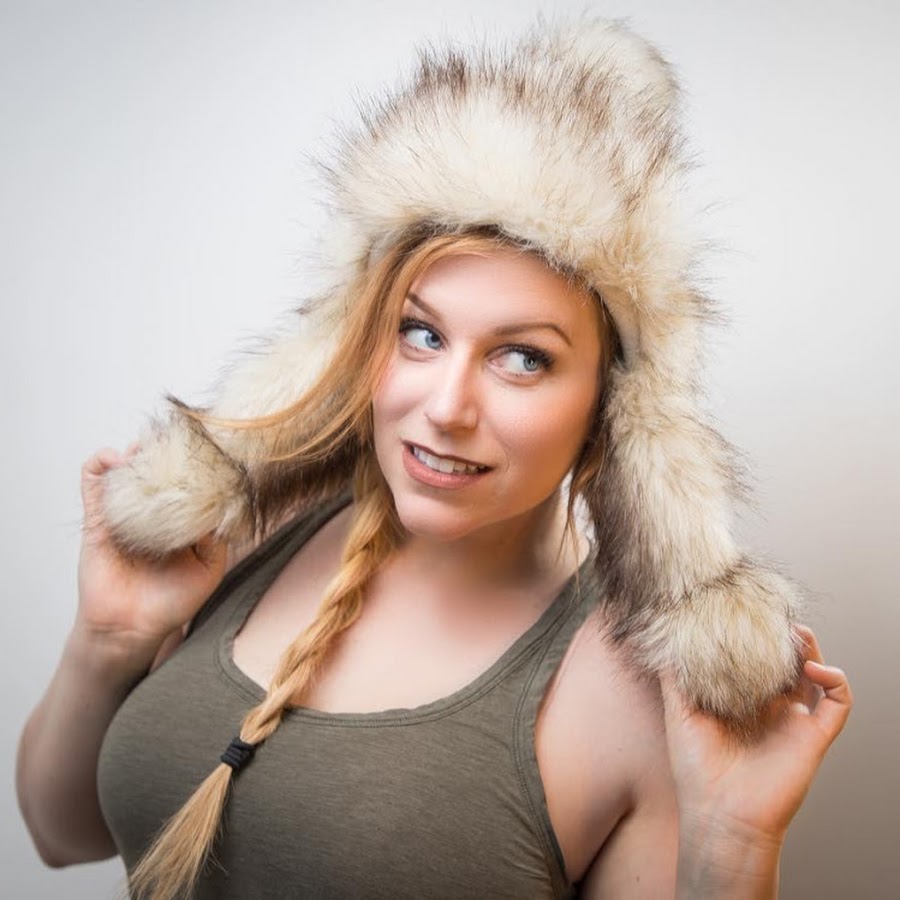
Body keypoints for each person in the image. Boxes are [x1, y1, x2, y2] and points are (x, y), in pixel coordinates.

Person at [17, 17, 851, 900]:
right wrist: (109, 640)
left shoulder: (631, 692)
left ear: (612, 403)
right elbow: (62, 836)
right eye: (421, 334)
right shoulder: (250, 534)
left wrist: (733, 839)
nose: (447, 407)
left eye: (522, 357)